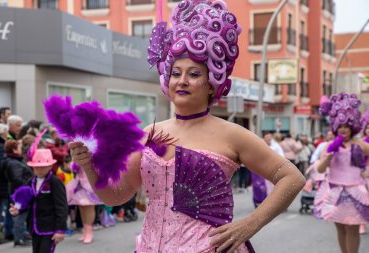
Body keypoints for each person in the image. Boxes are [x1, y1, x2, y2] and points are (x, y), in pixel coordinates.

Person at [68, 1, 305, 252]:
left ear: (212, 83)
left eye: (194, 74)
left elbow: (292, 178)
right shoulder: (148, 134)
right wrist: (89, 167)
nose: (182, 81)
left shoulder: (232, 134)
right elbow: (117, 196)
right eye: (176, 73)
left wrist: (250, 224)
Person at [316, 92, 369, 253]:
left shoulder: (360, 145)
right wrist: (330, 156)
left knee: (352, 228)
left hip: (354, 191)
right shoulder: (330, 146)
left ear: (352, 126)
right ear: (335, 126)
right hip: (334, 191)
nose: (343, 129)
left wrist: (367, 172)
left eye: (346, 126)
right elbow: (320, 169)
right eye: (340, 126)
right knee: (340, 229)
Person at [9, 148, 67, 253]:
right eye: (36, 167)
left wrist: (60, 230)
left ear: (50, 166)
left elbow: (61, 207)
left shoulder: (55, 182)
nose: (39, 170)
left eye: (43, 167)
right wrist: (18, 209)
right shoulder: (30, 181)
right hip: (34, 228)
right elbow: (27, 201)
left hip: (49, 228)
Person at [2, 139, 34, 247]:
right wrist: (28, 185)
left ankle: (21, 236)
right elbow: (17, 179)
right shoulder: (13, 162)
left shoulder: (14, 161)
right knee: (20, 216)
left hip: (20, 192)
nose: (21, 149)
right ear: (14, 150)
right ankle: (18, 238)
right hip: (21, 193)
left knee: (21, 215)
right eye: (19, 147)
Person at [65, 162, 101, 244]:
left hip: (89, 183)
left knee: (89, 206)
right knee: (82, 207)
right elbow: (74, 166)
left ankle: (89, 232)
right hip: (79, 184)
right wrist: (73, 166)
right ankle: (85, 231)